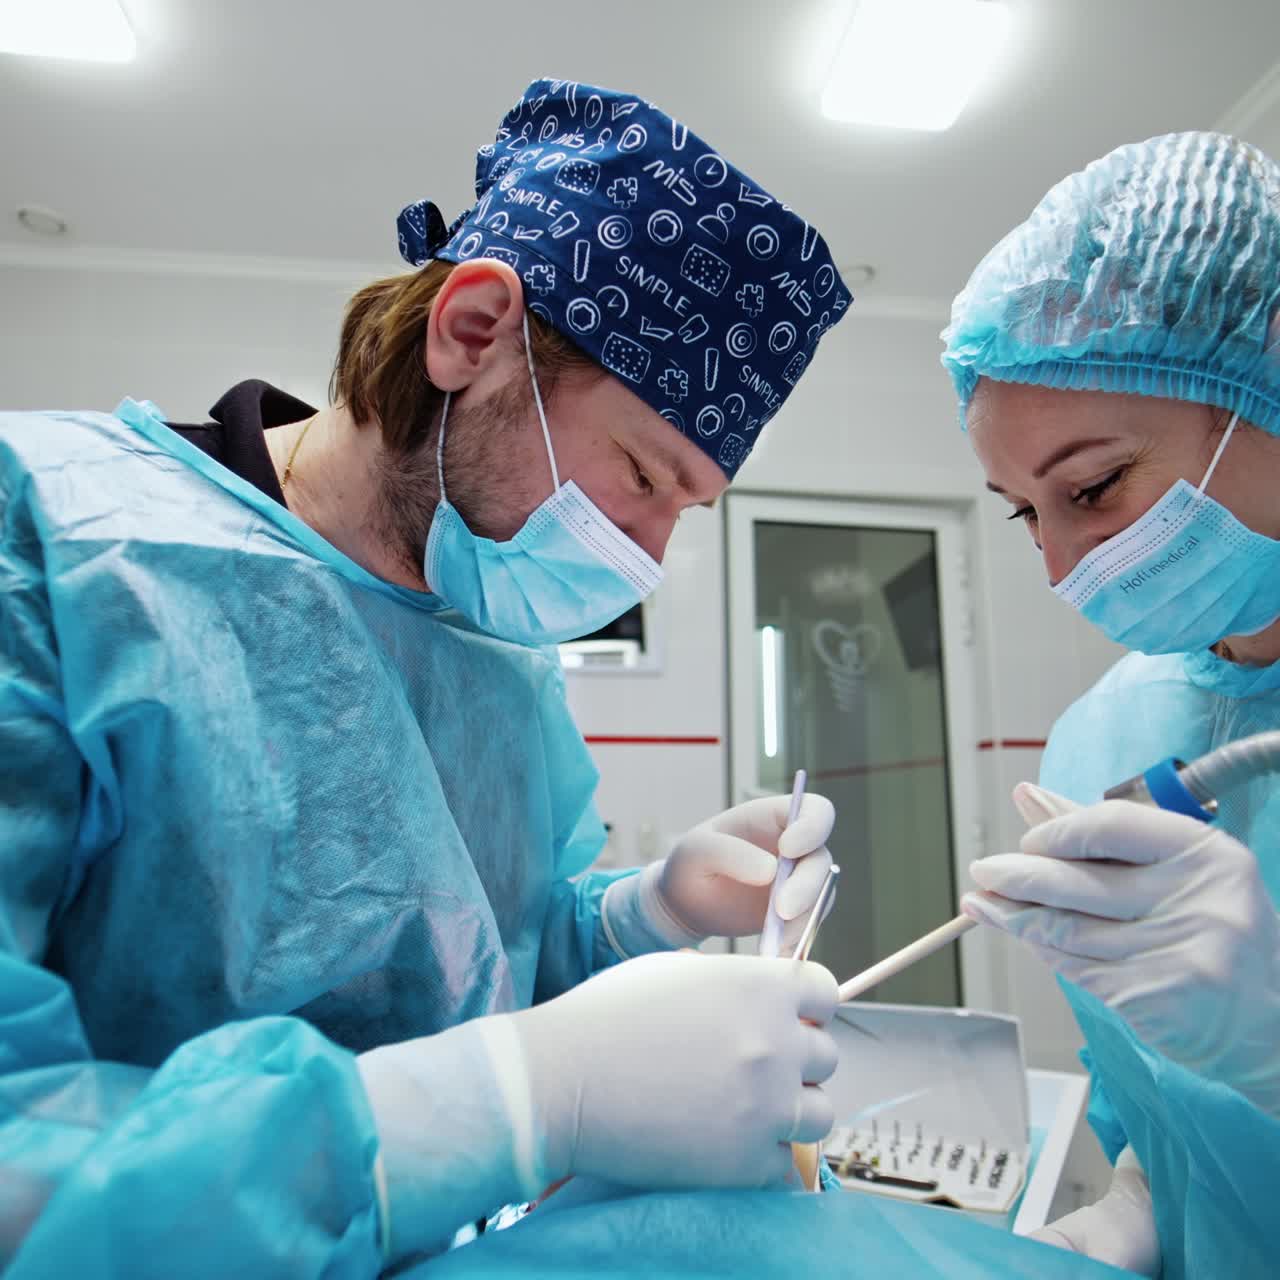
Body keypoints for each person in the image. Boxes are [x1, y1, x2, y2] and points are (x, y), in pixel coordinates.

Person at [0, 78, 854, 1275]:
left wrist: (638, 910)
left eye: (687, 507)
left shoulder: (494, 652)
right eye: (644, 475)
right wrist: (504, 1102)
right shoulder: (47, 538)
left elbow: (478, 948)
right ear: (471, 330)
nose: (646, 556)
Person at [941, 131, 1280, 1278]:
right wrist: (1133, 1205)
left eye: (1089, 487)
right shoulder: (1103, 737)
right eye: (1021, 511)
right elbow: (1164, 1111)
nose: (1061, 565)